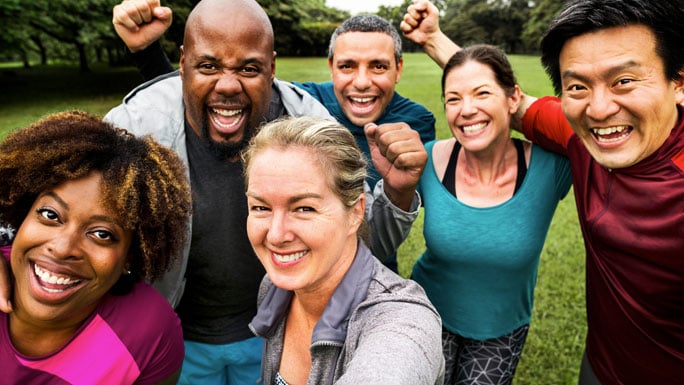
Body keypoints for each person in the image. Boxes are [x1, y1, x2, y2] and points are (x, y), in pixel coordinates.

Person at [102, 0, 427, 384]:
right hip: (171, 340)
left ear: (272, 67)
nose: (227, 84)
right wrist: (10, 259)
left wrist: (400, 191)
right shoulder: (134, 129)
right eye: (208, 66)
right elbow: (68, 226)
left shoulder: (309, 124)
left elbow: (365, 234)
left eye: (248, 69)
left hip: (273, 334)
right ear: (184, 62)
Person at [402, 0, 684, 383]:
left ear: (678, 82)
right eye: (578, 86)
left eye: (624, 81)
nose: (599, 109)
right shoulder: (578, 134)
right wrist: (433, 39)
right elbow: (498, 103)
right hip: (601, 366)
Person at [410, 44, 571, 385]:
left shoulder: (552, 165)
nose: (466, 109)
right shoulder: (426, 161)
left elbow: (586, 123)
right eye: (453, 99)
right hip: (425, 316)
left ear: (514, 99)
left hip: (501, 329)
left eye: (482, 93)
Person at [243, 115, 444, 385]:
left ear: (356, 212)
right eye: (261, 207)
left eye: (304, 208)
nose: (277, 235)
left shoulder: (402, 320)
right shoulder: (277, 288)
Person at [0, 110, 192, 384]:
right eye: (51, 215)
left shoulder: (148, 334)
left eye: (102, 233)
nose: (64, 247)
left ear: (130, 256)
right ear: (22, 214)